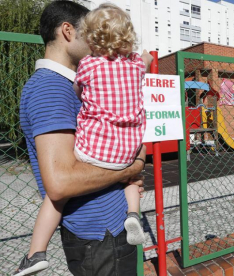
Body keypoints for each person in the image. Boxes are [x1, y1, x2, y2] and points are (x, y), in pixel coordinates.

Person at [16, 1, 147, 275]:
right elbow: (61, 183)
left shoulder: (74, 83)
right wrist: (131, 168)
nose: (96, 41)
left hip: (104, 233)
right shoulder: (51, 88)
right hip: (99, 236)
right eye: (88, 33)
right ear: (67, 31)